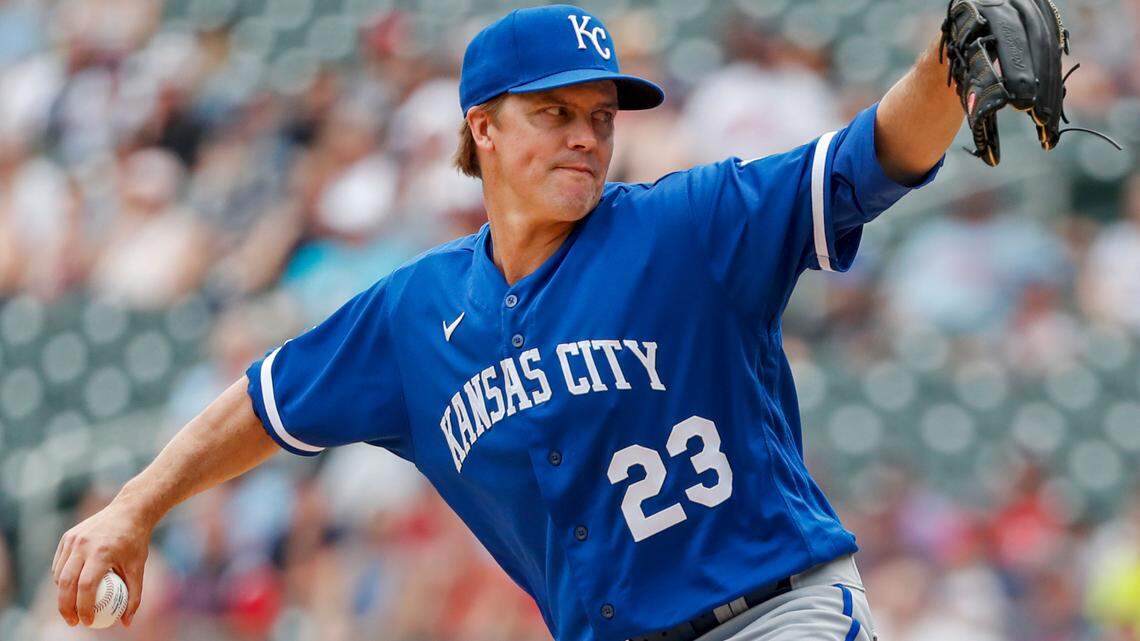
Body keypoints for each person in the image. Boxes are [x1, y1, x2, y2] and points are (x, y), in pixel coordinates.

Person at [52, 5, 963, 640]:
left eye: (600, 118)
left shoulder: (687, 225)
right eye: (555, 113)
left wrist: (949, 67)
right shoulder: (416, 313)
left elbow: (867, 160)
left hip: (778, 615)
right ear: (482, 129)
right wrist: (136, 505)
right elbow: (265, 402)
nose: (587, 137)